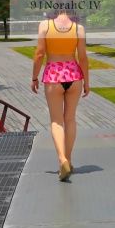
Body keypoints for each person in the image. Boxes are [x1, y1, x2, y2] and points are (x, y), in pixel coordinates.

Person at [31, 10, 89, 181]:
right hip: (74, 75)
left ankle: (62, 159)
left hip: (53, 75)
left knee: (56, 121)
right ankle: (68, 160)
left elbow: (39, 54)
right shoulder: (78, 28)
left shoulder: (45, 26)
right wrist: (87, 82)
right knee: (70, 119)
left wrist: (34, 77)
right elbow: (83, 57)